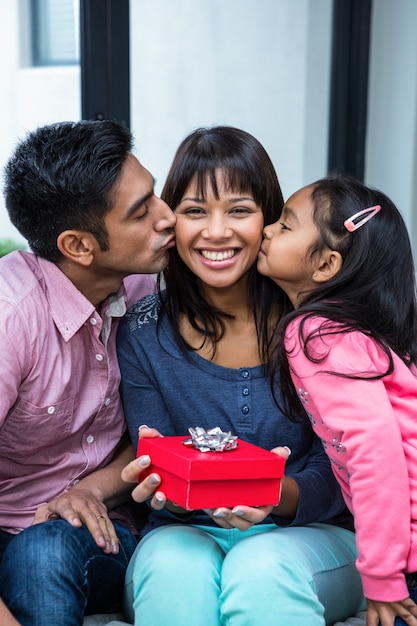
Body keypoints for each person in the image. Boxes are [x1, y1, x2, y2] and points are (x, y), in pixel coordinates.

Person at [117, 126, 365, 626]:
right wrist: (168, 485)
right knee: (172, 572)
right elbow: (162, 454)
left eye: (238, 209)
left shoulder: (316, 326)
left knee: (261, 567)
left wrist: (272, 495)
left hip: (311, 533)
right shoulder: (142, 332)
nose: (216, 231)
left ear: (269, 221)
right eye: (194, 211)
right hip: (184, 532)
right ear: (172, 222)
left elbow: (344, 468)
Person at [0, 119, 176, 626]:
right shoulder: (12, 319)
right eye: (142, 213)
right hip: (10, 530)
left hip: (98, 536)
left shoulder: (148, 288)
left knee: (44, 551)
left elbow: (151, 434)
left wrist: (92, 489)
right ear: (78, 246)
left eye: (155, 197)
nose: (168, 218)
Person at [257, 172, 417, 626]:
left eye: (285, 225)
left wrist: (383, 577)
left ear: (326, 266)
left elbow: (374, 455)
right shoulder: (354, 332)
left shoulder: (316, 333)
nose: (268, 229)